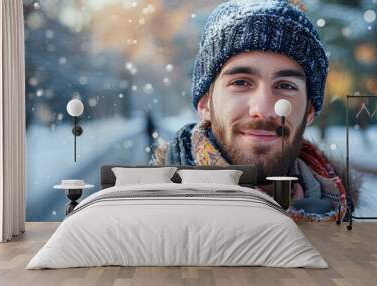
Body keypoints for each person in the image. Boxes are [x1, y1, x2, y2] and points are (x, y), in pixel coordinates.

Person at [151, 0, 361, 222]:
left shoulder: (347, 231)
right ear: (205, 104)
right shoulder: (151, 227)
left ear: (309, 110)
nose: (263, 109)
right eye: (241, 82)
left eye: (285, 86)